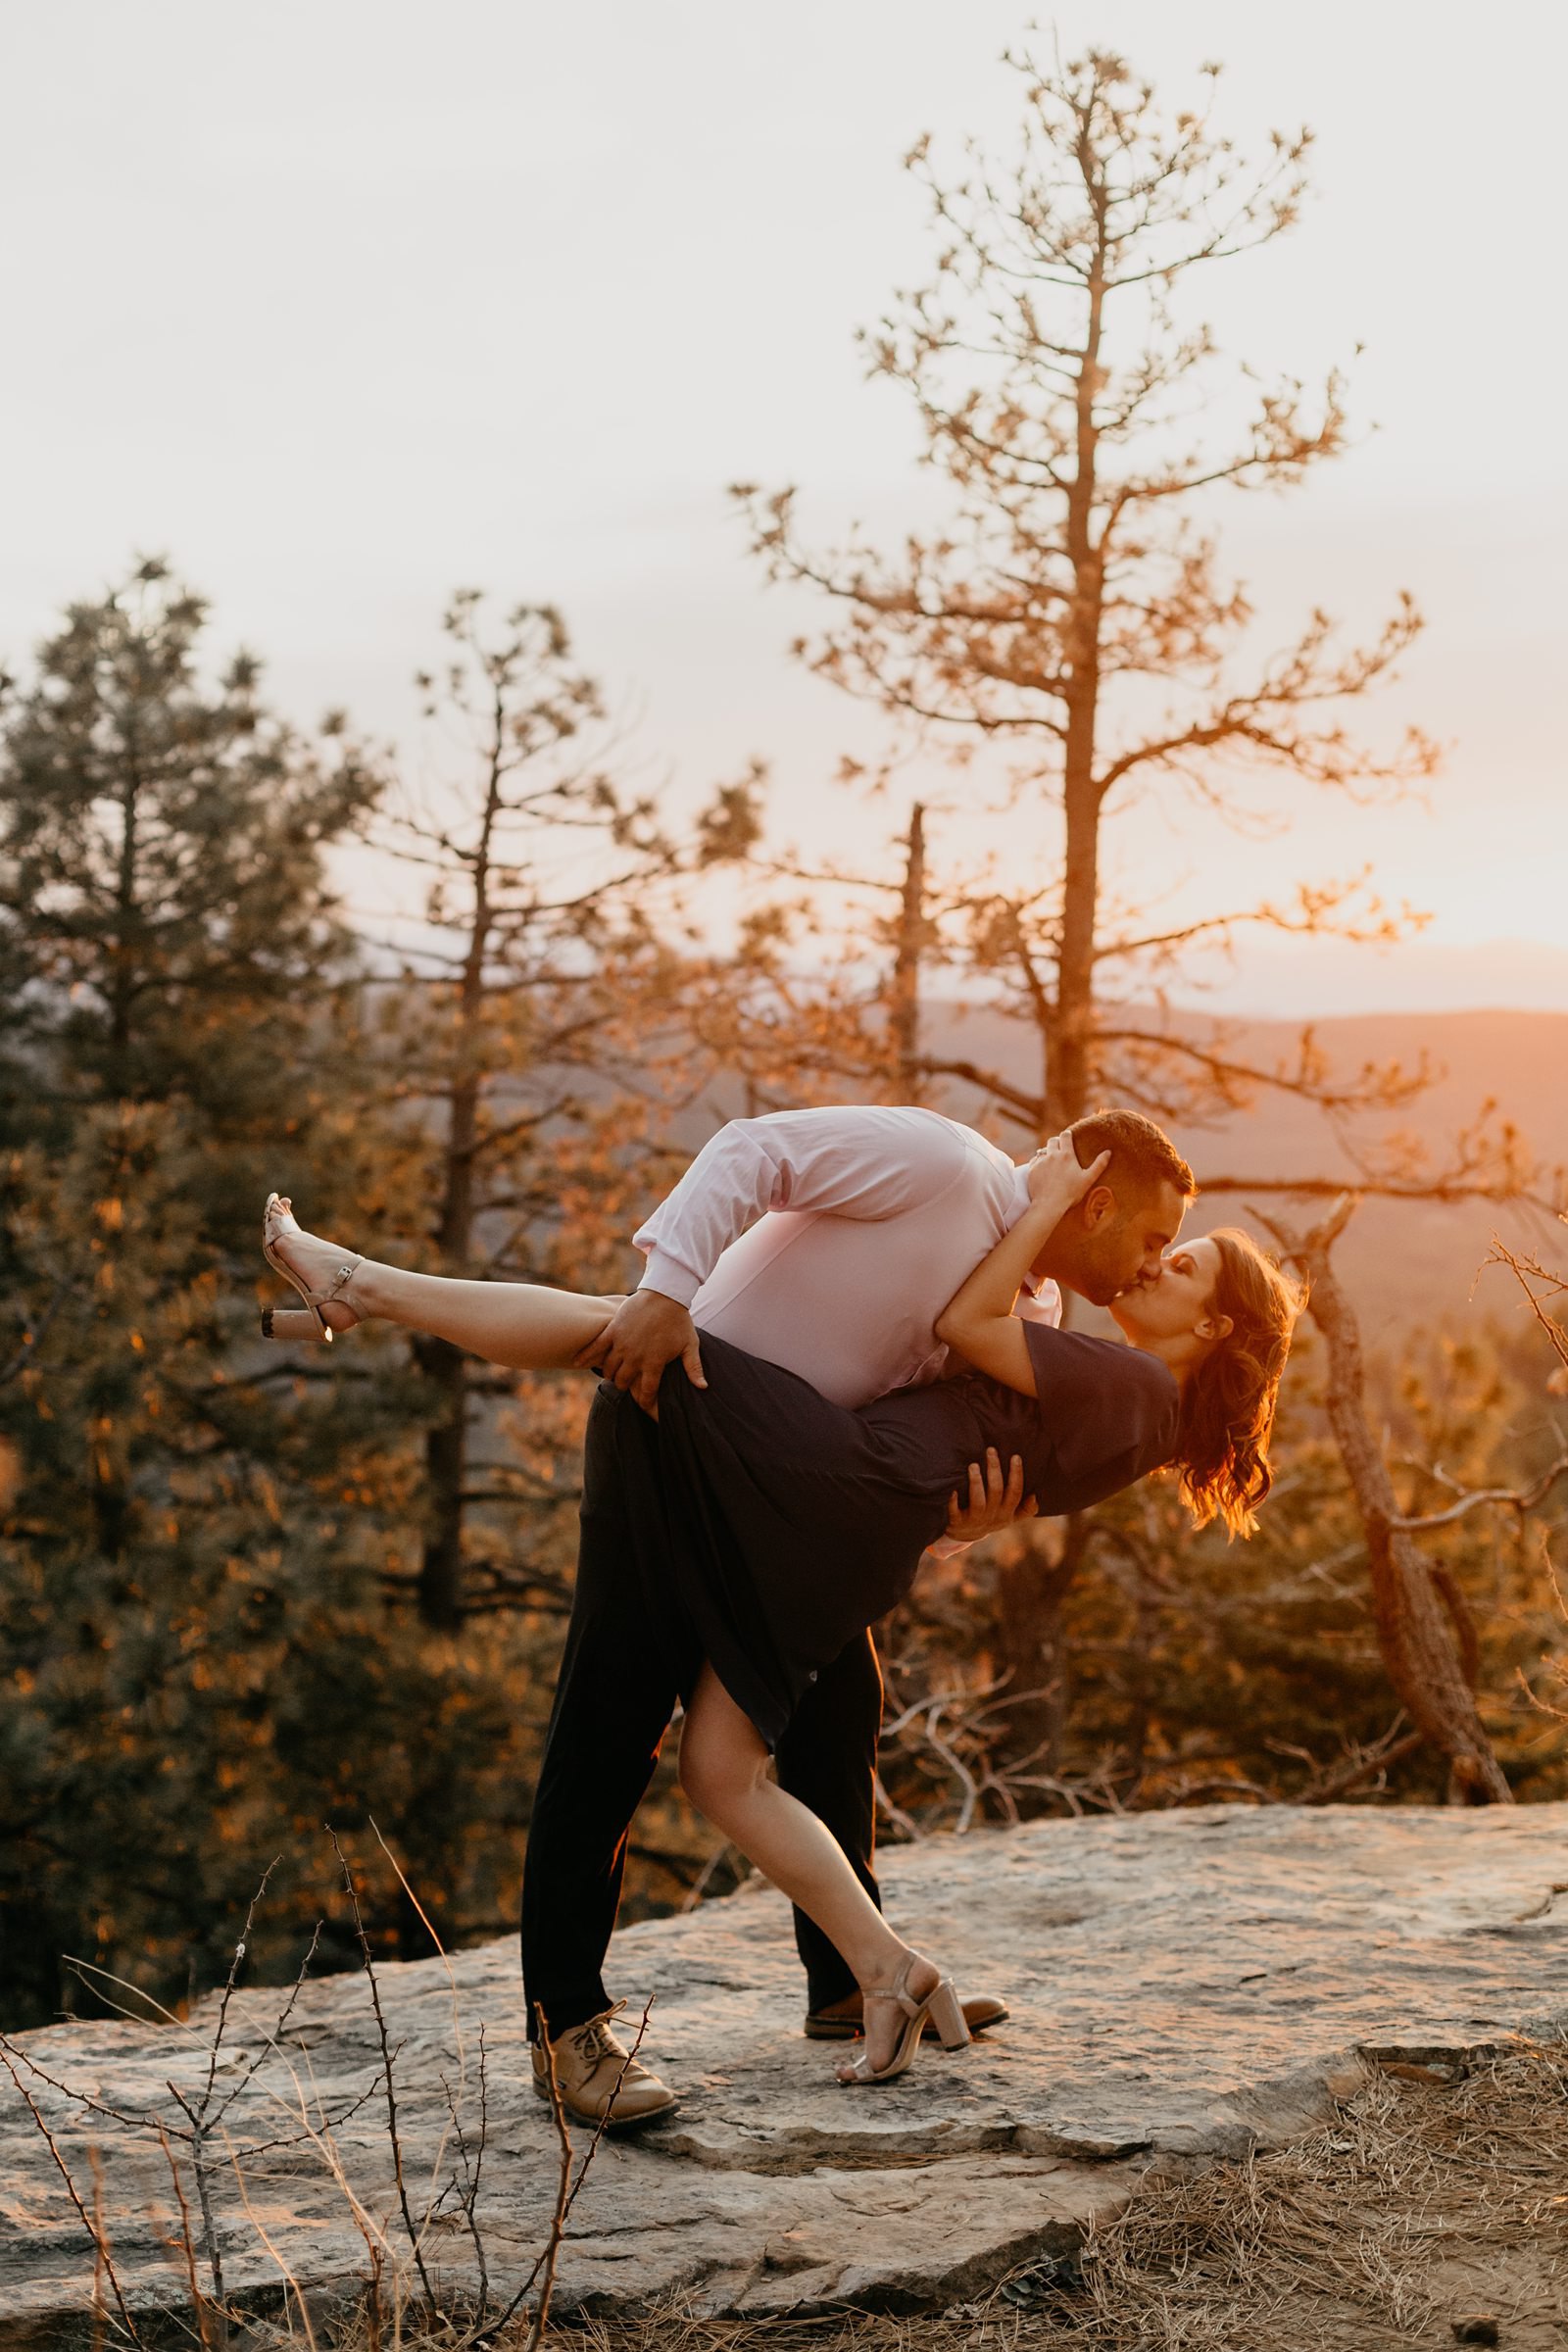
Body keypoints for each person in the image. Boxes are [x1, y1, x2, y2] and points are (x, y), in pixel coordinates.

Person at [261, 1119, 1300, 2116]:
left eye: (1178, 1258)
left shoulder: (1048, 1327)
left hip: (806, 1488)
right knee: (617, 1723)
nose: (1149, 1264)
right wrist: (667, 1292)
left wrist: (963, 1532)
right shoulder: (939, 1166)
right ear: (1095, 1193)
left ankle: (855, 1979)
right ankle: (568, 2025)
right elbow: (750, 1151)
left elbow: (950, 1440)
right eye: (1156, 1239)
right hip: (681, 1427)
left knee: (834, 1719)